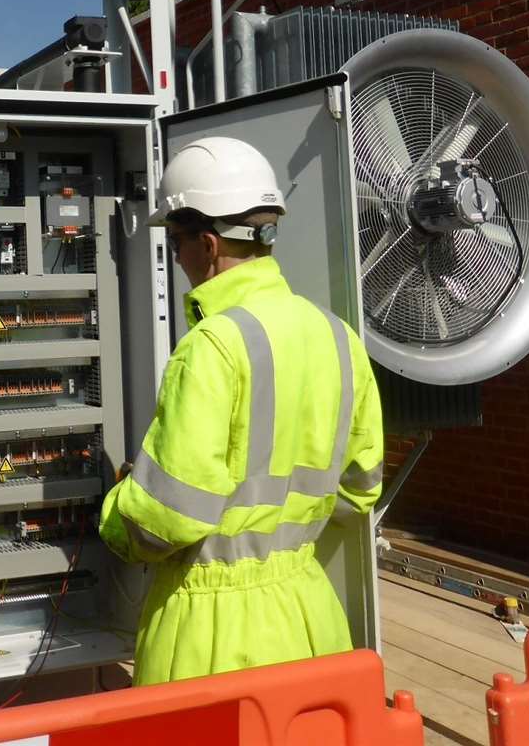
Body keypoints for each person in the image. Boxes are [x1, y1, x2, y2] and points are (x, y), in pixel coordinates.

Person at [99, 136, 384, 684]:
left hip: (214, 630)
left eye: (176, 243)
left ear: (207, 245)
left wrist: (114, 513)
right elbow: (359, 486)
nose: (176, 258)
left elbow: (167, 518)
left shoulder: (212, 346)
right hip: (309, 618)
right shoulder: (338, 336)